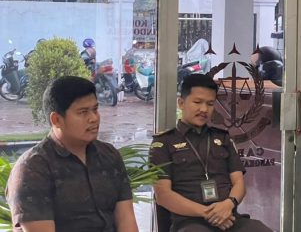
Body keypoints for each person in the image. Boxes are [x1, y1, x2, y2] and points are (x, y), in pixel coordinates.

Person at [6, 75, 138, 232]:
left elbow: (126, 221)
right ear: (56, 120)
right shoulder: (33, 169)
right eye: (83, 112)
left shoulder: (109, 155)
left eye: (95, 109)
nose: (94, 118)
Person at [150, 73, 271, 232]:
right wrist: (209, 213)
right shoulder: (163, 143)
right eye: (197, 102)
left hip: (229, 217)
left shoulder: (223, 138)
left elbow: (239, 183)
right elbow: (163, 195)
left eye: (210, 104)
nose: (204, 109)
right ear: (181, 103)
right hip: (189, 222)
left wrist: (229, 204)